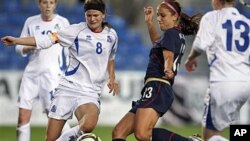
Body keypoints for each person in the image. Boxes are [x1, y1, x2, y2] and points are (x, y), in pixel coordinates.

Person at [1, 0, 119, 141]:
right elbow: (46, 40)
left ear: (103, 15)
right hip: (67, 89)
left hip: (90, 92)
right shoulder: (75, 31)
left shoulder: (112, 35)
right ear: (85, 15)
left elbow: (111, 57)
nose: (92, 19)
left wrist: (112, 77)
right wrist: (16, 41)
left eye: (96, 15)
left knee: (88, 124)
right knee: (50, 138)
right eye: (89, 15)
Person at [112, 0, 203, 141]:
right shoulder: (174, 34)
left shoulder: (171, 33)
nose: (159, 19)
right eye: (158, 16)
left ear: (175, 16)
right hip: (155, 87)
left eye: (163, 16)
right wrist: (149, 23)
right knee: (119, 132)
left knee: (143, 133)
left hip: (158, 86)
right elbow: (158, 44)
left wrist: (167, 67)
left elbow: (168, 55)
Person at [184, 0, 250, 141]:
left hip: (223, 82)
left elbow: (200, 45)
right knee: (237, 132)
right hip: (245, 84)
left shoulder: (212, 17)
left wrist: (190, 58)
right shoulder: (246, 22)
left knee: (210, 137)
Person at [14, 0, 70, 141]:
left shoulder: (63, 23)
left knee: (55, 118)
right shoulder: (31, 22)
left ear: (55, 4)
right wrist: (30, 46)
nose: (48, 6)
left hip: (52, 76)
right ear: (39, 4)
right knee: (22, 116)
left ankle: (72, 138)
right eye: (45, 2)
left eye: (51, 2)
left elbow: (71, 48)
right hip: (31, 75)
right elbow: (18, 48)